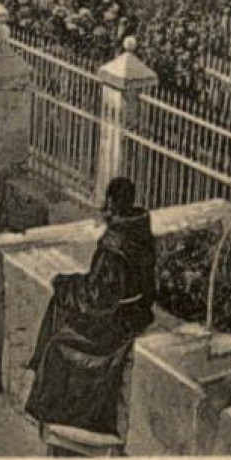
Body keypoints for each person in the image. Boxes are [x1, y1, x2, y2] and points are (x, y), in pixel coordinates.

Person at [25, 176, 156, 440]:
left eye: (106, 202)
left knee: (58, 343)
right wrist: (73, 285)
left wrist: (68, 287)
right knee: (63, 296)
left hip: (118, 321)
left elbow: (100, 300)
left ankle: (50, 408)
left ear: (112, 204)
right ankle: (38, 368)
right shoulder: (140, 231)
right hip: (136, 312)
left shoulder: (115, 247)